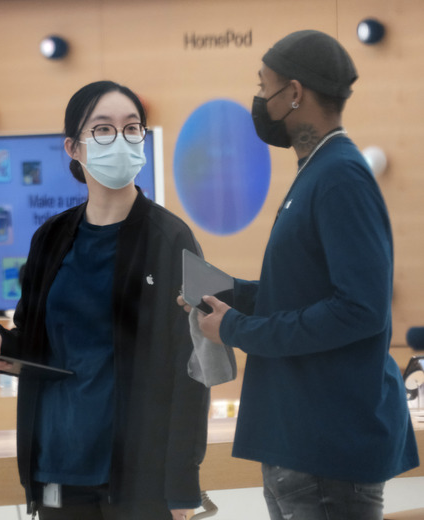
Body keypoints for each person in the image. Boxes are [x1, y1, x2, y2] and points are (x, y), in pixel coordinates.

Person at [180, 30, 419, 520]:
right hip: (301, 441)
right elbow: (301, 293)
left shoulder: (340, 177)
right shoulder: (318, 171)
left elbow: (360, 310)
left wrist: (236, 329)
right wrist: (227, 293)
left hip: (327, 447)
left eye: (263, 85)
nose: (259, 99)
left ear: (293, 92)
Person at [0, 80, 209, 520]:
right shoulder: (50, 238)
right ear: (73, 148)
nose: (120, 140)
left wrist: (182, 486)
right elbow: (33, 336)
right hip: (58, 461)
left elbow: (192, 364)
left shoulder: (170, 238)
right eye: (102, 129)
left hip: (138, 472)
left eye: (131, 128)